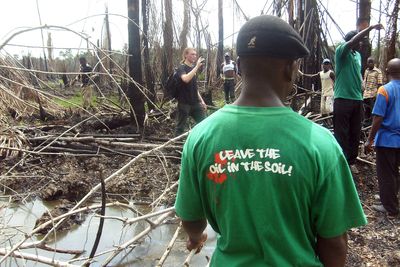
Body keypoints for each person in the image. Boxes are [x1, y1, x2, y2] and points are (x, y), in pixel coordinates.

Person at [175, 15, 367, 266]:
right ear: (290, 68)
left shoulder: (200, 136)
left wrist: (196, 237)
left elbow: (191, 218)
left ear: (240, 66)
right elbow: (333, 241)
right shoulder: (321, 144)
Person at [333, 24, 383, 168]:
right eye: (358, 41)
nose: (360, 44)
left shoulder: (358, 56)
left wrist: (362, 85)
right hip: (342, 99)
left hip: (357, 100)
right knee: (341, 133)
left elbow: (356, 73)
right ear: (353, 41)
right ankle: (340, 162)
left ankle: (351, 161)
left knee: (355, 132)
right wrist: (370, 28)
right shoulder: (341, 51)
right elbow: (353, 41)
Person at [364, 58, 400, 218]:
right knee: (394, 171)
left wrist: (369, 139)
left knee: (385, 173)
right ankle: (389, 198)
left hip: (387, 140)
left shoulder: (384, 90)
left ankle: (390, 208)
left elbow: (378, 118)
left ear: (386, 71)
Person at [174, 48, 207, 136]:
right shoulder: (181, 67)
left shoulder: (192, 69)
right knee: (180, 127)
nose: (194, 56)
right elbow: (185, 79)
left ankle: (201, 142)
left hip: (195, 103)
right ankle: (175, 145)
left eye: (195, 54)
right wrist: (196, 67)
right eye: (192, 54)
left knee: (204, 123)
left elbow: (195, 88)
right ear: (185, 55)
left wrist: (202, 101)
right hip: (184, 103)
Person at [363, 57, 383, 126]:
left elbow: (380, 84)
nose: (370, 63)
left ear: (374, 63)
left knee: (373, 111)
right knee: (366, 111)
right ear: (367, 63)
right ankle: (366, 125)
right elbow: (364, 81)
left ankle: (372, 125)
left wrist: (377, 95)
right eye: (369, 62)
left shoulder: (378, 71)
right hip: (365, 95)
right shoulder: (366, 71)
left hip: (373, 95)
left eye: (371, 62)